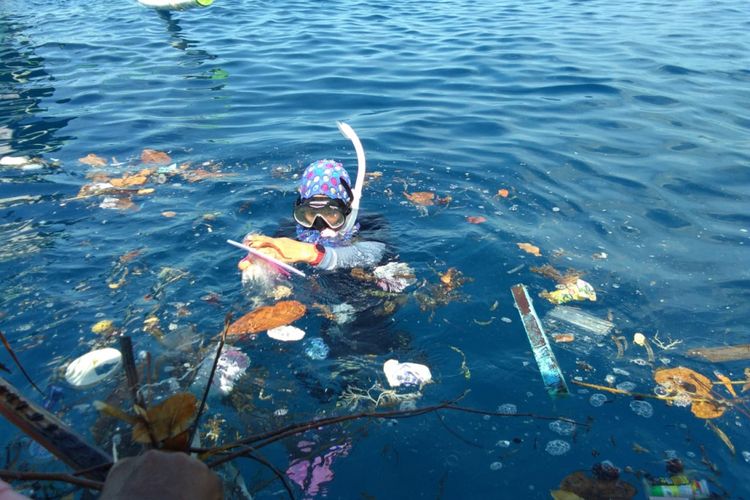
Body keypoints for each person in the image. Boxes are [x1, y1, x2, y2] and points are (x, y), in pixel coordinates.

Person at [238, 124, 386, 276]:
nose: (320, 224)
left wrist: (310, 252)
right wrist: (264, 263)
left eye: (330, 214)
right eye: (310, 213)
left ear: (346, 208)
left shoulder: (369, 224)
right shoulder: (289, 231)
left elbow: (374, 254)